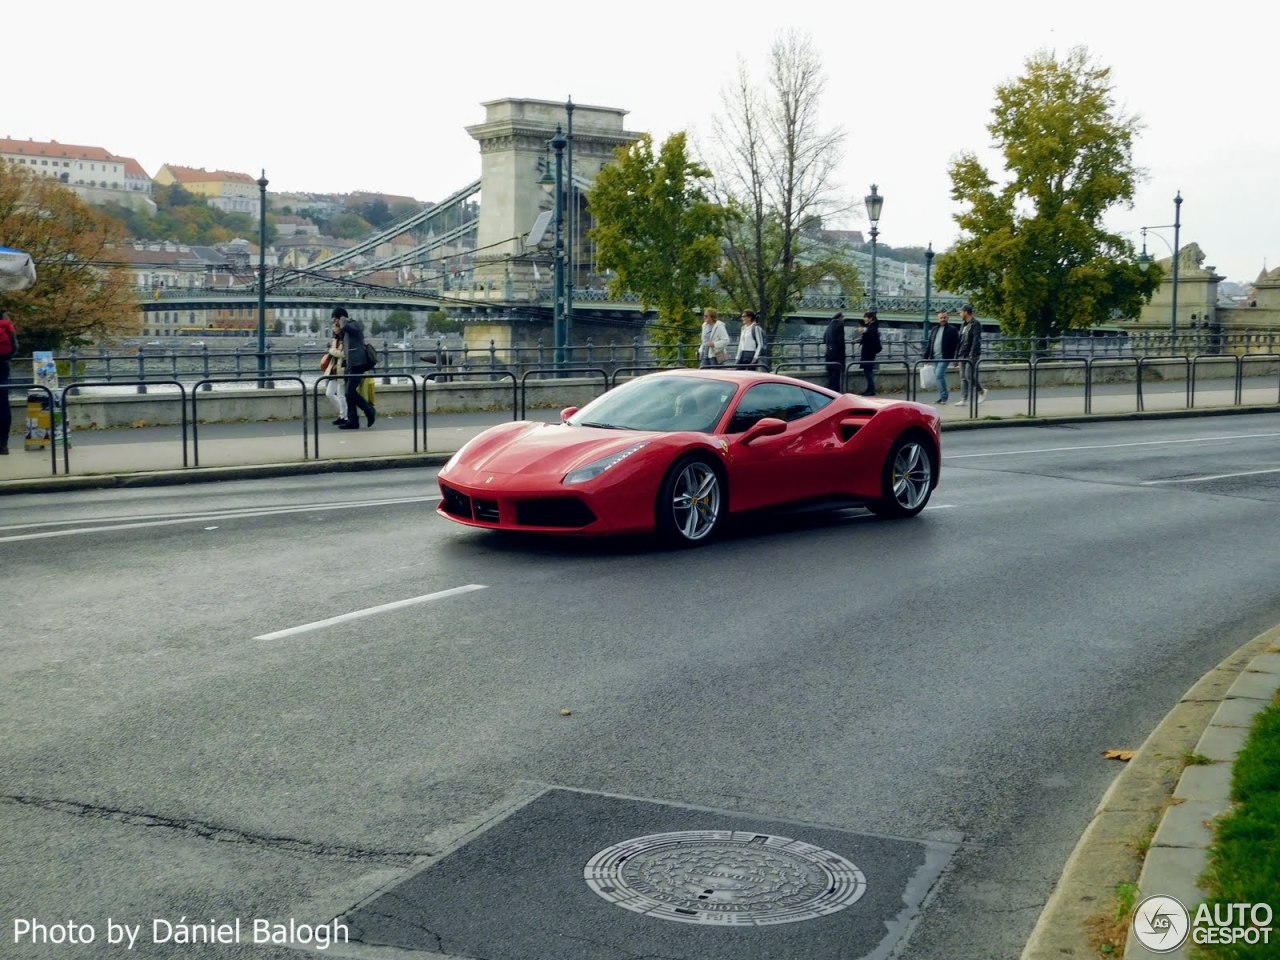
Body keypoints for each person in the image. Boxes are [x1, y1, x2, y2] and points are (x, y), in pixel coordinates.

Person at [333, 307, 376, 429]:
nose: (335, 322)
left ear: (341, 317)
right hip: (350, 364)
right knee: (348, 394)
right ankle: (353, 421)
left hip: (358, 363)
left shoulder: (353, 324)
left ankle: (369, 410)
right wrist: (336, 331)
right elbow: (340, 337)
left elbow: (346, 327)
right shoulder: (345, 330)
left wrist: (341, 319)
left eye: (336, 319)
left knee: (349, 392)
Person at [923, 310, 960, 404]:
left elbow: (956, 345)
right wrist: (926, 357)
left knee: (939, 375)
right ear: (938, 319)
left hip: (945, 357)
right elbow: (930, 343)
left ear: (948, 318)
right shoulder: (935, 329)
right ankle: (942, 396)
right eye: (941, 318)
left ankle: (944, 397)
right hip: (935, 356)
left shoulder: (952, 329)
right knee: (938, 377)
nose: (943, 319)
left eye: (945, 317)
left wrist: (956, 358)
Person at [956, 303, 986, 405]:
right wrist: (956, 356)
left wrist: (972, 353)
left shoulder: (976, 324)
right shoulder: (963, 325)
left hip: (971, 354)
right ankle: (963, 399)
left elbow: (975, 339)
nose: (960, 314)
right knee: (962, 377)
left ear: (966, 312)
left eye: (961, 312)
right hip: (962, 354)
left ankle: (981, 391)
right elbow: (960, 341)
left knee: (968, 376)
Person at [323, 317, 348, 425]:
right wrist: (333, 351)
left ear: (339, 328)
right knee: (329, 393)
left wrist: (332, 351)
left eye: (334, 326)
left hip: (341, 369)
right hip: (333, 370)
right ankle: (344, 413)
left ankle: (344, 416)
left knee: (341, 395)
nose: (333, 328)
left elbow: (343, 354)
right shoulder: (335, 339)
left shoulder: (345, 338)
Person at [0, 309, 16, 455]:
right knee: (3, 405)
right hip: (2, 366)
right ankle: (3, 444)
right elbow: (14, 347)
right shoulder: (6, 323)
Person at [857, 310, 882, 395]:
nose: (864, 319)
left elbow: (869, 337)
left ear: (871, 318)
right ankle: (870, 389)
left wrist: (863, 332)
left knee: (868, 371)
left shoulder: (873, 327)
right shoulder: (872, 326)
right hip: (869, 352)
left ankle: (871, 390)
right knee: (868, 371)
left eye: (865, 317)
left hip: (869, 353)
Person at [822, 311, 847, 392]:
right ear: (839, 318)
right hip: (837, 355)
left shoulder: (829, 326)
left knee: (831, 375)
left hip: (829, 354)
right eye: (842, 318)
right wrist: (843, 351)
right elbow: (841, 341)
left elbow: (824, 339)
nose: (843, 319)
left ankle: (830, 391)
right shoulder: (839, 326)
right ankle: (835, 392)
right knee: (836, 375)